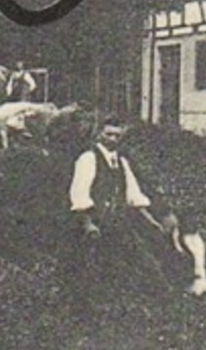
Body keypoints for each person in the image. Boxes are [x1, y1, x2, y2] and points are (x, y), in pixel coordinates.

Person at [66, 119, 180, 297]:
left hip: (118, 222)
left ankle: (165, 300)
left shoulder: (122, 161)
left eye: (117, 135)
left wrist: (151, 221)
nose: (112, 139)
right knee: (92, 271)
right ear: (99, 134)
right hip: (95, 223)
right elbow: (80, 193)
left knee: (145, 262)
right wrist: (88, 224)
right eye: (108, 134)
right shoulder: (88, 158)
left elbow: (133, 195)